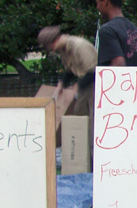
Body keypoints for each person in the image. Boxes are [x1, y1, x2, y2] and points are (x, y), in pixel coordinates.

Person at [37, 25, 98, 161]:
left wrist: (77, 87)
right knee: (79, 114)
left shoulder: (79, 46)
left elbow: (93, 71)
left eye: (50, 46)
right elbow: (69, 70)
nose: (51, 49)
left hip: (94, 83)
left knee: (90, 119)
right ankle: (82, 154)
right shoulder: (63, 50)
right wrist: (61, 85)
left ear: (56, 39)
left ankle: (93, 157)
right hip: (84, 84)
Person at [95, 0, 137, 67]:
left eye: (98, 3)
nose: (97, 7)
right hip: (135, 79)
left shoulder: (107, 30)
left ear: (105, 1)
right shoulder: (133, 28)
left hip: (118, 79)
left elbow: (118, 62)